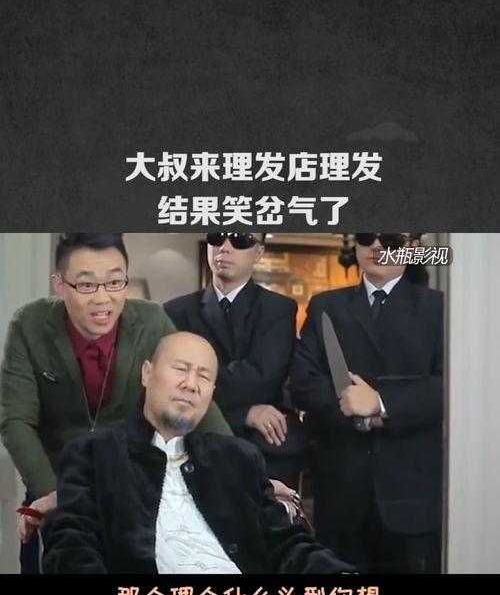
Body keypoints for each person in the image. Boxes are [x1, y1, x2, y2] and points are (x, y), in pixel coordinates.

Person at [0, 233, 230, 574]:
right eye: (86, 285)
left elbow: (194, 400)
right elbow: (16, 421)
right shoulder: (29, 324)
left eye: (114, 282)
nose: (103, 299)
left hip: (128, 485)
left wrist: (245, 475)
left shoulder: (151, 321)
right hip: (54, 482)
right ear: (60, 285)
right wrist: (57, 493)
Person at [42, 332, 354, 575]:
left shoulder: (238, 459)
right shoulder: (94, 454)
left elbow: (286, 544)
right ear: (147, 373)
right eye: (181, 369)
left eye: (204, 377)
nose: (191, 384)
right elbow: (71, 545)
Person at [290, 233, 444, 574]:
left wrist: (381, 404)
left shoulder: (439, 307)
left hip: (413, 492)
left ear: (414, 247)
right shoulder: (327, 306)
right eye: (366, 236)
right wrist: (352, 408)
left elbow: (449, 386)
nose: (376, 246)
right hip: (341, 487)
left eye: (389, 238)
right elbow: (303, 383)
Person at [164, 232, 307, 488]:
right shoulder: (175, 311)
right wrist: (244, 414)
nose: (225, 248)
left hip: (264, 443)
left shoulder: (279, 308)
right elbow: (175, 384)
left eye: (240, 240)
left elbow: (263, 378)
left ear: (259, 253)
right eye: (217, 237)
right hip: (196, 441)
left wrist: (203, 378)